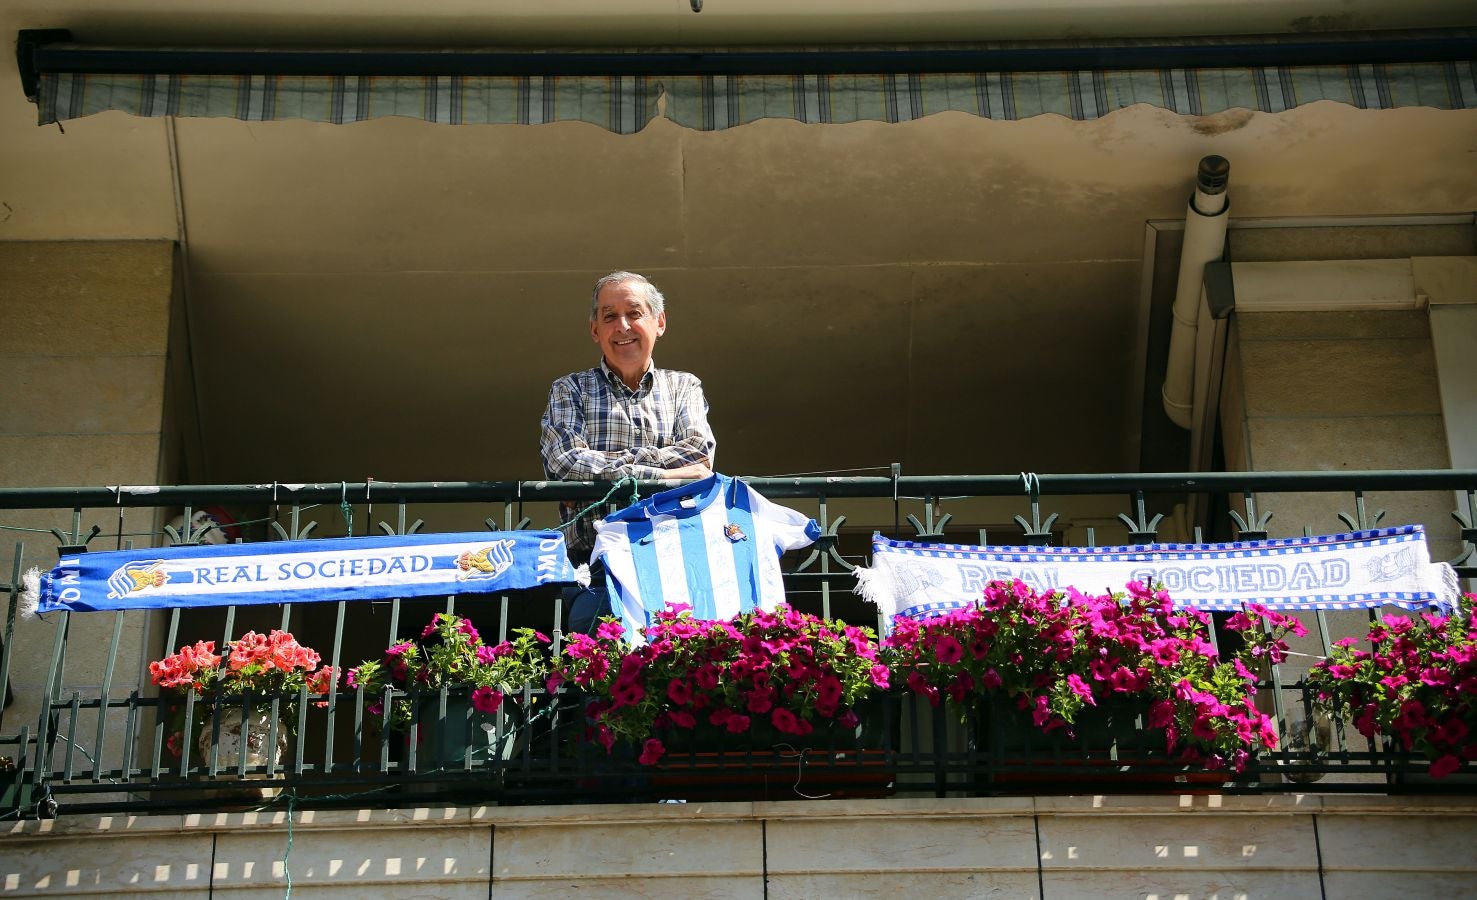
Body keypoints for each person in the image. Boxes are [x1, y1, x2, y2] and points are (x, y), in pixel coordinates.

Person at [540, 271, 716, 633]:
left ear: (659, 322)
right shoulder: (570, 389)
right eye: (609, 316)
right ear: (595, 330)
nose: (623, 326)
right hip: (598, 575)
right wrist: (664, 475)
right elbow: (566, 462)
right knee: (598, 685)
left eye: (634, 313)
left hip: (679, 569)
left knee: (680, 684)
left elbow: (698, 452)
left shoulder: (684, 386)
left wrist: (608, 472)